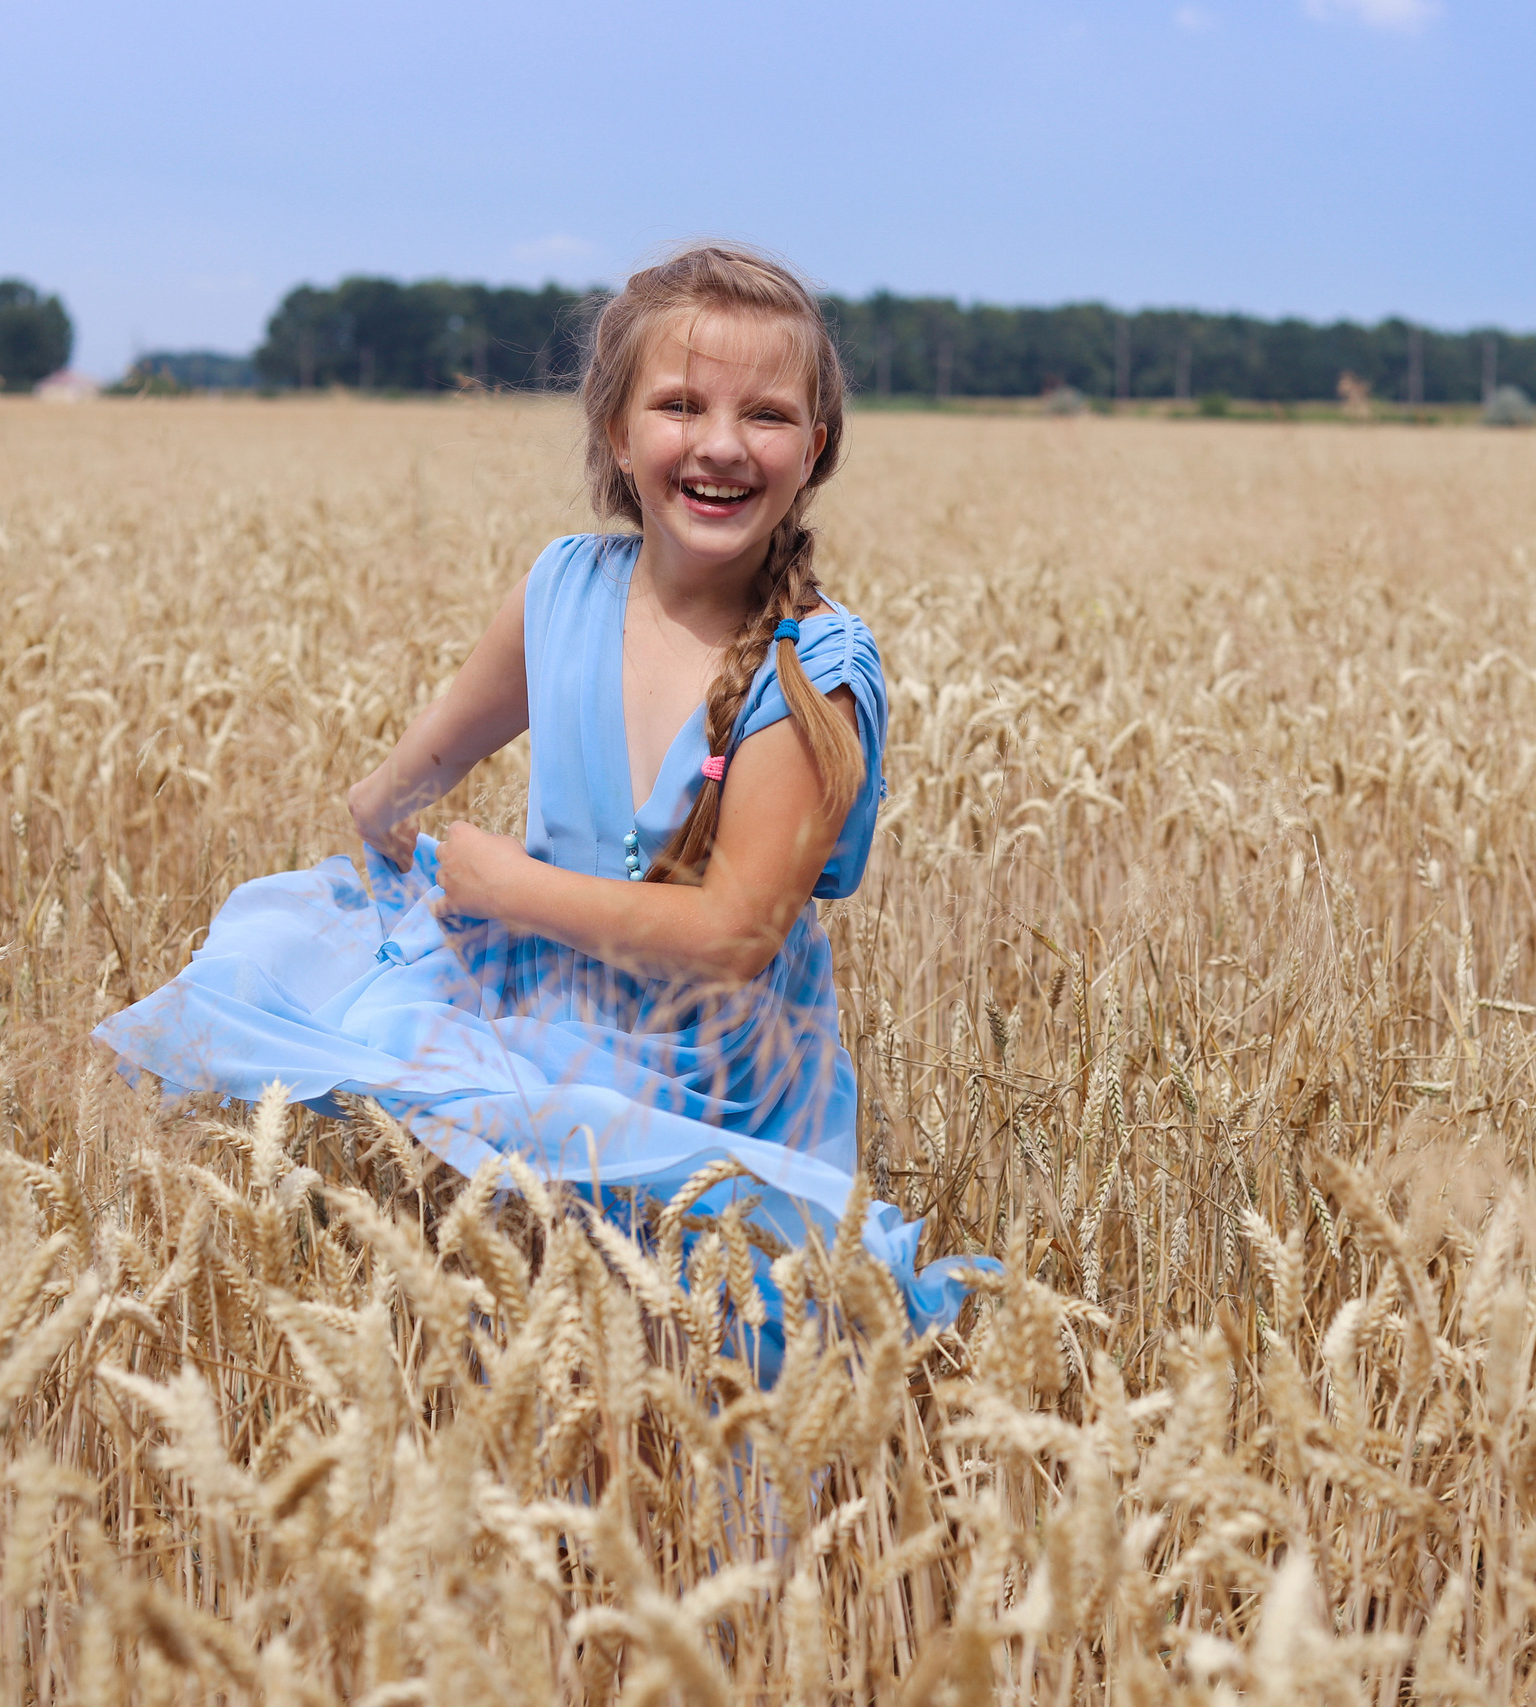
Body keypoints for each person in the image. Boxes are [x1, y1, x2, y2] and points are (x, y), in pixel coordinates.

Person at [94, 244, 980, 1333]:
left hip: (722, 1082)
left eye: (765, 415)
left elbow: (733, 934)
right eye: (680, 404)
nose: (718, 443)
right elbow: (432, 757)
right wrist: (377, 818)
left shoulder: (813, 672)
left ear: (816, 448)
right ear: (616, 431)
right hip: (548, 1009)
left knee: (718, 1367)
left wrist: (503, 886)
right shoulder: (563, 587)